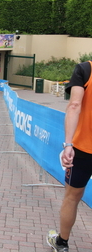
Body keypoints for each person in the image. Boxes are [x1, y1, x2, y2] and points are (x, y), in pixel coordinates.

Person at [47, 61, 92, 252]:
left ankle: (62, 243)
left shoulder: (85, 69)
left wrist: (68, 144)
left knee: (72, 197)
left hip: (83, 147)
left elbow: (74, 104)